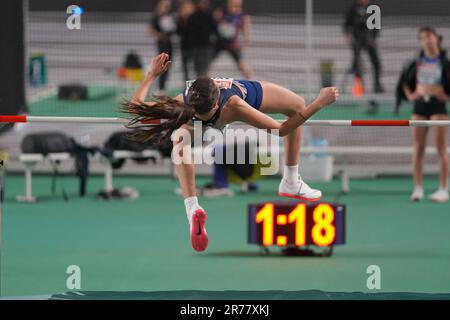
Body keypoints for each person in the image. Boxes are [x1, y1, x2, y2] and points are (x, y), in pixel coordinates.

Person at [123, 53, 339, 252]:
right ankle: (291, 180)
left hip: (196, 119)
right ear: (216, 99)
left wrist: (152, 73)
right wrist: (319, 103)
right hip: (237, 101)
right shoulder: (234, 105)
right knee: (298, 105)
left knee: (179, 139)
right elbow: (282, 130)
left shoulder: (182, 103)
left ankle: (192, 207)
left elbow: (136, 106)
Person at [397, 27, 450, 203]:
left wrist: (447, 96)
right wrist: (410, 94)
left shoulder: (445, 61)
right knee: (418, 148)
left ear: (437, 39)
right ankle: (417, 188)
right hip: (420, 105)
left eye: (429, 36)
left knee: (441, 149)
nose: (426, 40)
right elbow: (404, 80)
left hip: (438, 105)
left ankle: (443, 189)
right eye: (422, 38)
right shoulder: (416, 61)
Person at [343, 0, 383, 93]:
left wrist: (373, 38)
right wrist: (349, 34)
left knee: (376, 62)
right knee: (357, 65)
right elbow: (346, 24)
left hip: (369, 40)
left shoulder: (374, 7)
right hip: (357, 40)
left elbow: (377, 26)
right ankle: (359, 87)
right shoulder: (353, 7)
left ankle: (377, 85)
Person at [212, 0, 253, 79]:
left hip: (232, 44)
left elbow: (247, 33)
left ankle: (250, 81)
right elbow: (213, 22)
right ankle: (203, 84)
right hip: (219, 43)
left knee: (242, 65)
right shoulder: (221, 12)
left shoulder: (242, 16)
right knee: (206, 63)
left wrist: (244, 44)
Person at [186, 0, 218, 77]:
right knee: (197, 67)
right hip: (196, 46)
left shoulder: (210, 15)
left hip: (206, 46)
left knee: (204, 67)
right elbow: (189, 32)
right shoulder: (192, 16)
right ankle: (200, 81)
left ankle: (203, 82)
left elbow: (214, 30)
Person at [150, 0, 176, 94]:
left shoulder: (170, 15)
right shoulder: (156, 16)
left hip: (170, 44)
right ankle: (159, 87)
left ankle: (162, 88)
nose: (167, 4)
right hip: (162, 44)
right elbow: (151, 31)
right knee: (161, 64)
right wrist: (161, 35)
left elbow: (173, 28)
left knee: (168, 65)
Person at [177, 0, 194, 82]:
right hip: (184, 47)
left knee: (194, 67)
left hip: (194, 47)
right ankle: (187, 85)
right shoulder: (180, 19)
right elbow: (178, 31)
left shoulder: (194, 18)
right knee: (185, 68)